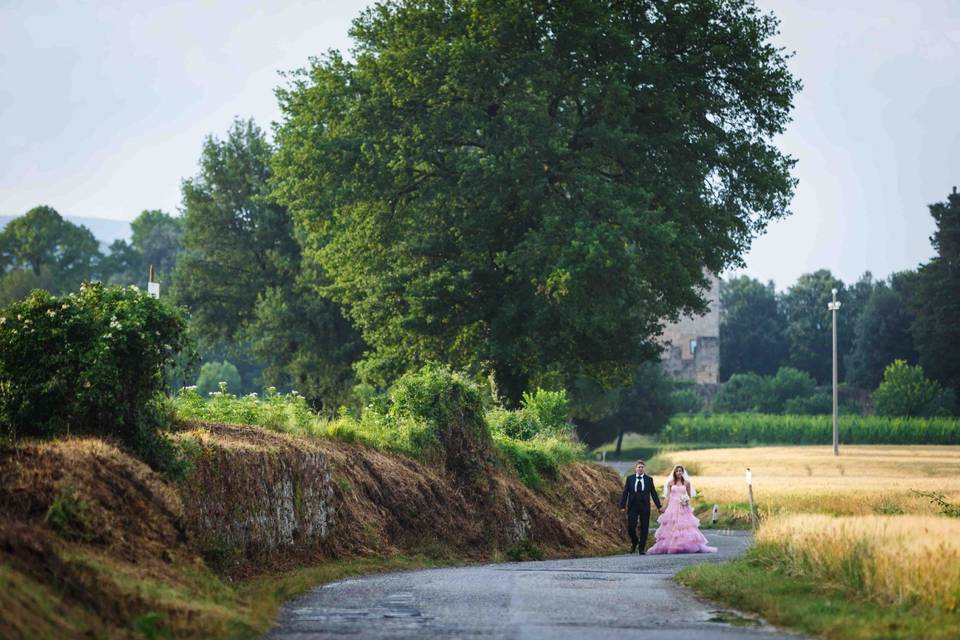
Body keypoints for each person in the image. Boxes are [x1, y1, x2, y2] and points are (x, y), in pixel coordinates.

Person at [647, 464, 717, 554]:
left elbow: (689, 496)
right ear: (674, 472)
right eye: (677, 471)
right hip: (673, 506)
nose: (679, 472)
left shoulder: (687, 483)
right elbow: (667, 497)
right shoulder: (670, 483)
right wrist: (663, 507)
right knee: (672, 526)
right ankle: (672, 546)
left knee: (685, 526)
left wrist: (686, 501)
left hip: (684, 507)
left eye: (680, 471)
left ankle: (686, 545)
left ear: (683, 472)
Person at [619, 460, 662, 554]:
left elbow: (653, 493)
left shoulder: (649, 479)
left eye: (642, 467)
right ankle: (634, 542)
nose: (640, 469)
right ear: (635, 469)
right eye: (639, 467)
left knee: (644, 527)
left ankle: (641, 548)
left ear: (644, 468)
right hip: (633, 506)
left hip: (645, 506)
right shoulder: (630, 479)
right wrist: (622, 506)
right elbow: (625, 492)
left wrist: (659, 506)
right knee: (631, 526)